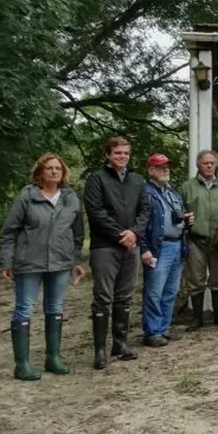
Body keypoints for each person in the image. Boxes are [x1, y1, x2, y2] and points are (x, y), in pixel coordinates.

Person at [0, 153, 85, 380]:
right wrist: (6, 261)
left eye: (58, 168)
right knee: (24, 308)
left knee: (55, 307)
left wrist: (75, 260)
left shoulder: (71, 198)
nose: (54, 172)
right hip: (29, 262)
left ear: (63, 172)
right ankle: (22, 364)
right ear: (40, 172)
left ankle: (53, 358)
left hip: (60, 262)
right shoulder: (27, 196)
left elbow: (77, 233)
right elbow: (9, 232)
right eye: (49, 168)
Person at [84, 136, 151, 370]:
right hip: (105, 246)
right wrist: (121, 235)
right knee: (103, 297)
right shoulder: (97, 179)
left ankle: (120, 343)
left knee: (124, 296)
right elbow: (96, 211)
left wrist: (133, 233)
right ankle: (100, 349)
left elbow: (145, 209)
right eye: (117, 153)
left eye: (126, 153)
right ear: (108, 155)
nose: (122, 156)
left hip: (131, 246)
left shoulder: (137, 180)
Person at [178, 150, 218, 330]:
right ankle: (197, 318)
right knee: (196, 279)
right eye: (205, 163)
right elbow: (178, 213)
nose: (209, 166)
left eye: (212, 163)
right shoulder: (187, 187)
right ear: (198, 165)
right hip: (196, 239)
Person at [139, 154, 189, 346]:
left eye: (167, 166)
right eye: (160, 167)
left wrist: (186, 220)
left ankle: (163, 328)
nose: (165, 170)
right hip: (158, 247)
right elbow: (141, 223)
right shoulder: (145, 193)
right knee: (154, 291)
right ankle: (152, 332)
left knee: (170, 291)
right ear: (151, 170)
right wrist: (144, 248)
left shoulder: (172, 192)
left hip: (177, 244)